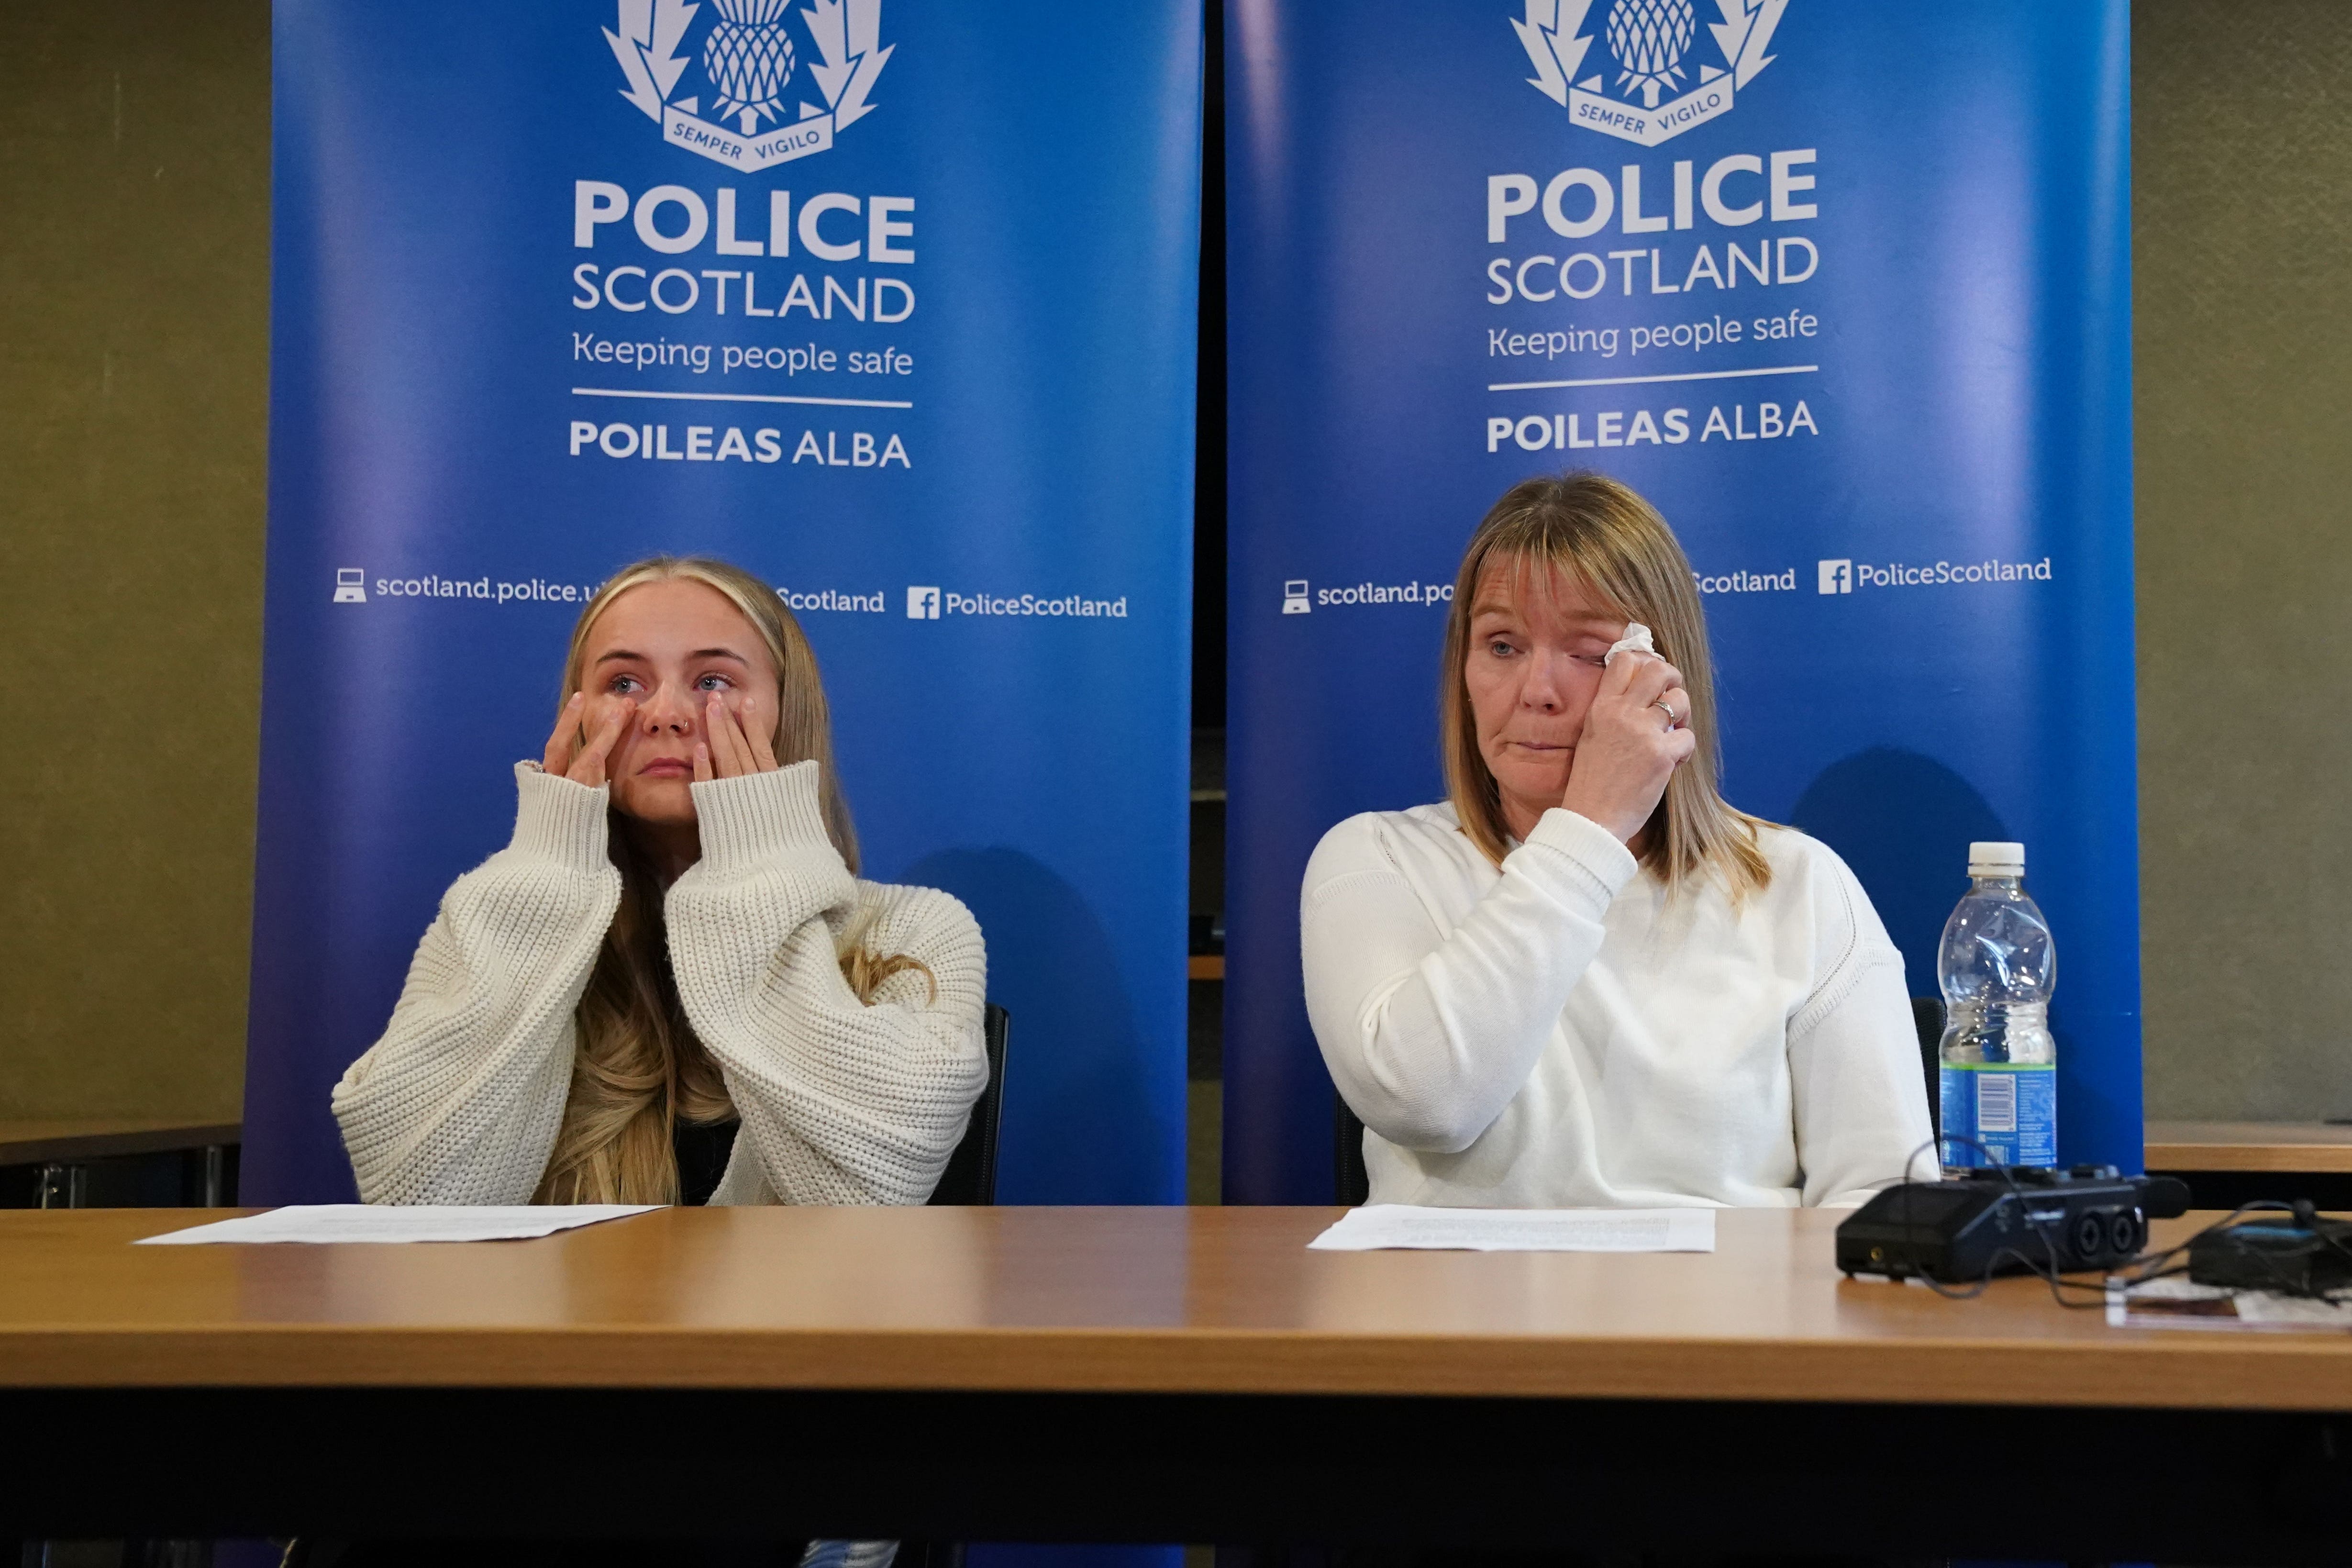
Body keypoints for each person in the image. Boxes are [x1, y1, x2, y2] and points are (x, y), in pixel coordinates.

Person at [1303, 472, 1935, 1209]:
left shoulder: (1798, 883)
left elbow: (1886, 1201)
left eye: (1588, 653)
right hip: (1463, 1317)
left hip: (1723, 1316)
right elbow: (1427, 1102)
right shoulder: (1378, 858)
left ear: (1665, 679)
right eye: (1502, 645)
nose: (1537, 689)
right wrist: (1592, 828)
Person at [334, 554, 989, 1212]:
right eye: (624, 683)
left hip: (799, 1314)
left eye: (712, 680)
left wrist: (759, 860)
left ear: (789, 712)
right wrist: (548, 874)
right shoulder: (492, 920)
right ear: (579, 712)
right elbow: (417, 1201)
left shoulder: (914, 928)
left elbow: (865, 1202)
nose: (665, 713)